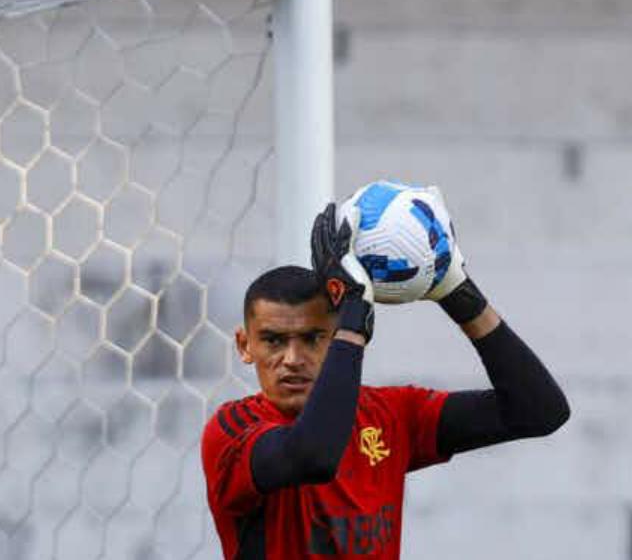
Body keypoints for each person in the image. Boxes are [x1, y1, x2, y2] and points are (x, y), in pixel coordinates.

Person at [201, 199, 570, 559]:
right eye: (273, 340)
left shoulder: (390, 414)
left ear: (334, 340)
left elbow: (539, 410)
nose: (293, 359)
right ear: (244, 346)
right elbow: (314, 455)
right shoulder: (232, 432)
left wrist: (460, 295)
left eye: (314, 338)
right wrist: (354, 317)